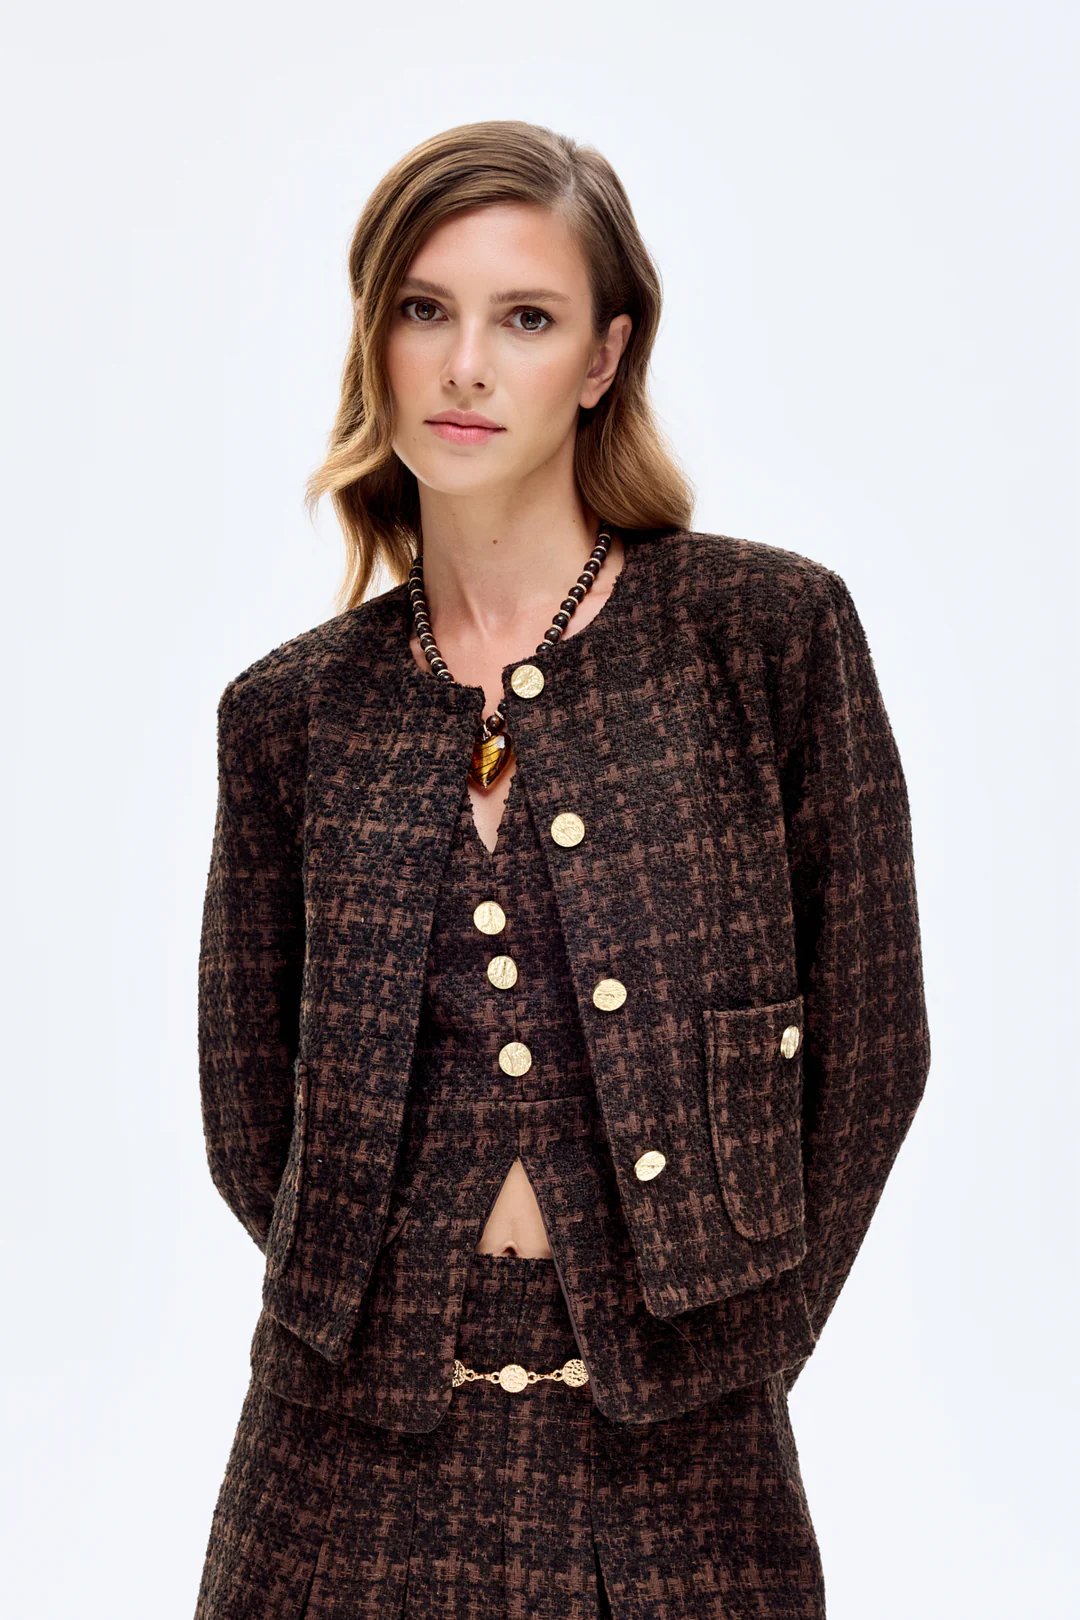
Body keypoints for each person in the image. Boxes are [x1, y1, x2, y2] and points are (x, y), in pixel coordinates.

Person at [192, 119, 931, 1620]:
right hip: (336, 1476)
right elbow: (247, 1108)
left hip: (688, 1477)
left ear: (604, 356)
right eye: (425, 310)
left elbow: (873, 1046)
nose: (466, 365)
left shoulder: (765, 640)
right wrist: (371, 1312)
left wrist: (735, 1342)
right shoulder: (291, 713)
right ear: (375, 339)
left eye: (524, 318)